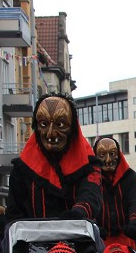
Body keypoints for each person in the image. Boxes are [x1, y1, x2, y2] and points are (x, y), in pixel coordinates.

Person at [7, 94, 102, 222]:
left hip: (77, 237)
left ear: (72, 127)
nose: (51, 133)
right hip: (32, 238)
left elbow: (91, 195)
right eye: (44, 124)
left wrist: (79, 212)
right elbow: (15, 212)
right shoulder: (22, 168)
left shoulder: (88, 165)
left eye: (60, 124)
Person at [94, 135, 136, 249]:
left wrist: (134, 223)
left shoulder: (129, 176)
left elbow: (135, 202)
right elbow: (88, 203)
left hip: (125, 237)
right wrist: (94, 226)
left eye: (112, 154)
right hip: (101, 238)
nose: (108, 160)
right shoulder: (91, 177)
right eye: (102, 155)